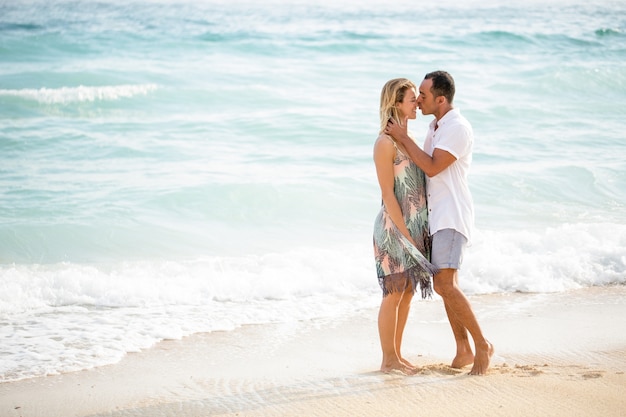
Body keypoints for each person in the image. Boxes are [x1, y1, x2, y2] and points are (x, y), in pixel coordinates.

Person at [385, 70, 494, 375]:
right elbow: (418, 161)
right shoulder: (436, 126)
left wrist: (403, 136)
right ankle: (463, 349)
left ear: (441, 99)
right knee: (447, 284)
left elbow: (432, 167)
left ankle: (482, 345)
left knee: (444, 283)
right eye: (416, 95)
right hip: (437, 217)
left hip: (451, 215)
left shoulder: (457, 128)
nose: (418, 100)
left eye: (423, 95)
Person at [373, 78, 438, 375]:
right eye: (412, 99)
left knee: (408, 292)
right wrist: (406, 234)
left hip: (413, 228)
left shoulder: (407, 141)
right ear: (396, 103)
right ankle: (388, 360)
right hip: (394, 229)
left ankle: (396, 355)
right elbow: (388, 194)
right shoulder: (385, 143)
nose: (416, 103)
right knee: (394, 292)